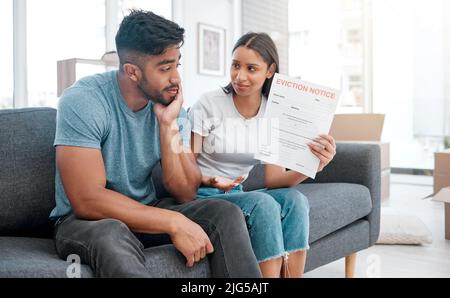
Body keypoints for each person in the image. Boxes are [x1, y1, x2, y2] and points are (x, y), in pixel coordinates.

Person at [49, 10, 261, 278]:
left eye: (177, 65)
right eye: (165, 68)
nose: (176, 78)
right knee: (111, 232)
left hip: (146, 209)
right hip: (84, 223)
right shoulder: (83, 101)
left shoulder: (170, 103)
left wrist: (168, 125)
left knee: (226, 214)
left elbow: (185, 191)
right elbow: (87, 200)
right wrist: (172, 221)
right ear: (132, 71)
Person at [188, 32, 337, 278]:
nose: (240, 76)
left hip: (236, 195)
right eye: (235, 65)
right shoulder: (209, 104)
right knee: (264, 204)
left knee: (295, 200)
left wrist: (315, 166)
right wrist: (211, 181)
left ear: (270, 71)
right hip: (202, 196)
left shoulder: (273, 112)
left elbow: (274, 179)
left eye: (251, 68)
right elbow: (186, 167)